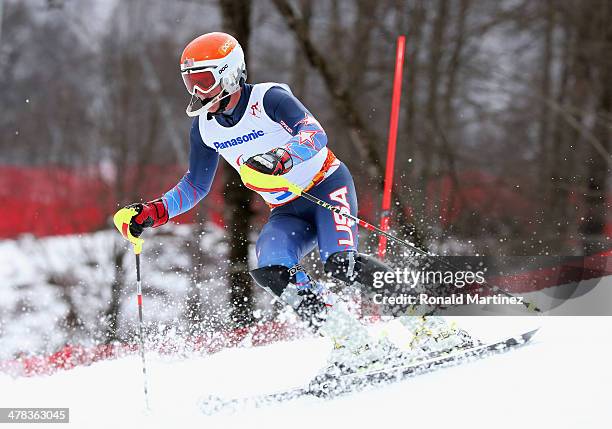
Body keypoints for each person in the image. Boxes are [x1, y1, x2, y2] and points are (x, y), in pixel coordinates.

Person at [122, 32, 408, 372]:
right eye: (190, 83)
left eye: (204, 80)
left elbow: (314, 135)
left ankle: (430, 321)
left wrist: (283, 157)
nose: (197, 92)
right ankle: (353, 343)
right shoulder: (204, 127)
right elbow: (195, 185)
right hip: (287, 208)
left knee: (340, 264)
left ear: (229, 73)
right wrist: (153, 212)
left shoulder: (268, 98)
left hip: (327, 188)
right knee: (272, 270)